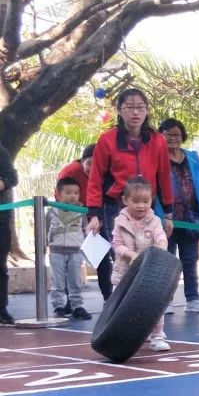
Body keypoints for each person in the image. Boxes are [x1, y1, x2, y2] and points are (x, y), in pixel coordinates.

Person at [85, 88, 174, 301]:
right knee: (120, 253)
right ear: (120, 111)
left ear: (147, 111)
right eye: (130, 108)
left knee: (147, 250)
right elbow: (96, 179)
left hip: (146, 204)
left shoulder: (157, 140)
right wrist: (94, 214)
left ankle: (142, 299)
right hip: (115, 204)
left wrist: (168, 212)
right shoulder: (107, 140)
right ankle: (113, 299)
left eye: (140, 107)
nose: (135, 113)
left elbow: (164, 176)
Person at [160, 118, 199, 313]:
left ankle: (193, 299)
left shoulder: (192, 157)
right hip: (166, 219)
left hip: (191, 218)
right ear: (161, 136)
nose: (173, 138)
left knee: (190, 259)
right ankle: (165, 302)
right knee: (167, 261)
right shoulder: (158, 158)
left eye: (177, 134)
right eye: (169, 134)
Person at [112, 177, 170, 352]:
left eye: (146, 201)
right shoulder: (119, 221)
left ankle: (157, 336)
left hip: (149, 272)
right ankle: (118, 335)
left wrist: (160, 248)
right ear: (125, 200)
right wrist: (131, 254)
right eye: (135, 201)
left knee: (155, 303)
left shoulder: (154, 220)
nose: (141, 206)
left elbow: (161, 237)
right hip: (125, 272)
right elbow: (117, 244)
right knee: (118, 305)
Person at [57, 144, 109, 303]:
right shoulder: (72, 171)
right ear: (82, 161)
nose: (92, 169)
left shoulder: (105, 174)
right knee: (68, 259)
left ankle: (108, 296)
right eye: (89, 164)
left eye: (97, 164)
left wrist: (97, 218)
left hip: (96, 216)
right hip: (73, 217)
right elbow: (61, 195)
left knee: (103, 256)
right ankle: (67, 301)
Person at [47, 177, 90, 320]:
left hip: (75, 251)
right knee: (57, 281)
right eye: (68, 192)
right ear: (58, 194)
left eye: (76, 193)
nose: (73, 196)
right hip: (56, 251)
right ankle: (58, 306)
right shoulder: (51, 211)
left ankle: (76, 306)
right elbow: (44, 229)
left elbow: (85, 229)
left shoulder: (81, 211)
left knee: (76, 280)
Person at [0, 140, 19, 325]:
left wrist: (2, 183)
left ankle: (2, 308)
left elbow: (12, 177)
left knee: (0, 265)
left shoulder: (2, 152)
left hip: (0, 216)